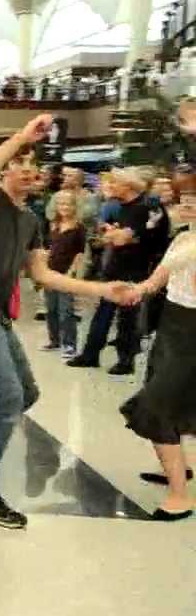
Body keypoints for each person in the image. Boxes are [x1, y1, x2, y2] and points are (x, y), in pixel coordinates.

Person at [0, 115, 136, 530]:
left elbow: (42, 275)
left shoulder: (31, 222)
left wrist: (103, 290)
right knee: (5, 397)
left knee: (24, 392)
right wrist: (22, 138)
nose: (28, 172)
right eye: (20, 164)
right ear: (8, 167)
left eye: (35, 167)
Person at [120, 221, 196, 521]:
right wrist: (137, 290)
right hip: (172, 326)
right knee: (170, 400)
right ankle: (180, 469)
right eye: (186, 197)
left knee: (156, 406)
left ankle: (180, 496)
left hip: (191, 332)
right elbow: (159, 278)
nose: (188, 204)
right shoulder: (183, 238)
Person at [67, 167, 156, 375]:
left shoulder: (147, 207)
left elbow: (123, 237)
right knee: (103, 314)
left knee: (128, 318)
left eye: (114, 182)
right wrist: (113, 234)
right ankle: (91, 354)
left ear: (128, 185)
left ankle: (125, 361)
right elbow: (111, 234)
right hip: (115, 265)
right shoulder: (121, 206)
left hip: (136, 270)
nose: (109, 186)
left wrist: (114, 234)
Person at [41, 191, 88, 358]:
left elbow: (80, 254)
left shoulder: (79, 228)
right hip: (50, 272)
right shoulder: (53, 224)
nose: (64, 207)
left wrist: (72, 272)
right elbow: (48, 248)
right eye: (61, 204)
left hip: (66, 274)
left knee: (66, 310)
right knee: (51, 308)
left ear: (74, 206)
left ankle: (70, 344)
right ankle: (54, 340)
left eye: (67, 204)